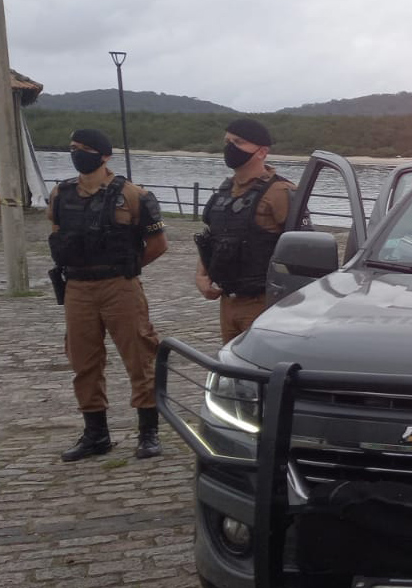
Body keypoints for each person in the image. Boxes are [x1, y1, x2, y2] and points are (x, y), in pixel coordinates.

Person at [49, 128, 168, 461]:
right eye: (72, 148)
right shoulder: (61, 194)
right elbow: (57, 234)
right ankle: (96, 434)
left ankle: (148, 433)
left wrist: (127, 267)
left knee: (139, 357)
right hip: (77, 288)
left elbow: (158, 245)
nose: (76, 154)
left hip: (120, 286)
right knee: (83, 360)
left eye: (83, 149)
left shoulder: (132, 195)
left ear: (103, 155)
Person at [194, 119, 294, 343]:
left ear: (262, 151)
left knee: (259, 371)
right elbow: (211, 237)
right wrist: (202, 274)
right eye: (227, 141)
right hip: (228, 300)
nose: (230, 147)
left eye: (238, 142)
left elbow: (303, 247)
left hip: (262, 302)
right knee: (229, 371)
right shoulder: (225, 190)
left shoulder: (279, 192)